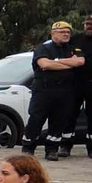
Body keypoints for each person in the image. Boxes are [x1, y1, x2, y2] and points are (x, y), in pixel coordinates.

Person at [22, 20, 84, 161]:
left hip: (65, 90)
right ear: (53, 33)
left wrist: (56, 61)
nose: (66, 34)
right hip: (44, 90)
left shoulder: (73, 48)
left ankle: (52, 150)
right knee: (36, 119)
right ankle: (28, 148)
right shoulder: (43, 48)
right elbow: (44, 64)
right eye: (62, 32)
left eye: (68, 32)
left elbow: (79, 62)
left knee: (59, 121)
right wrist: (69, 63)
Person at [78, 15, 92, 158]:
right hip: (75, 83)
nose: (89, 26)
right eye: (87, 24)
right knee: (69, 114)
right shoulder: (76, 39)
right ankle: (65, 145)